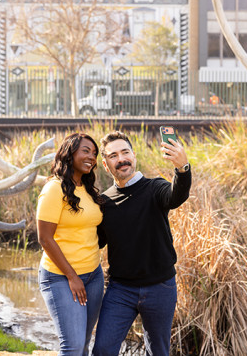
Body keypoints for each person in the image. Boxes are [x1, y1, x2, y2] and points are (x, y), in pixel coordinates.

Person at [92, 130, 191, 356]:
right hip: (120, 290)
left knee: (158, 352)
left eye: (125, 152)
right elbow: (94, 242)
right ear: (106, 165)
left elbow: (176, 196)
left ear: (134, 156)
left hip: (160, 287)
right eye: (113, 156)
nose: (121, 159)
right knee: (103, 350)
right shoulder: (104, 202)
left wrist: (182, 168)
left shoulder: (155, 188)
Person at [37, 132, 105, 355]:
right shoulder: (54, 188)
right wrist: (72, 277)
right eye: (86, 150)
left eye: (94, 153)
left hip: (93, 276)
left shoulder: (87, 189)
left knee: (83, 343)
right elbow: (45, 238)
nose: (91, 157)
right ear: (70, 153)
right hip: (61, 277)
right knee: (73, 346)